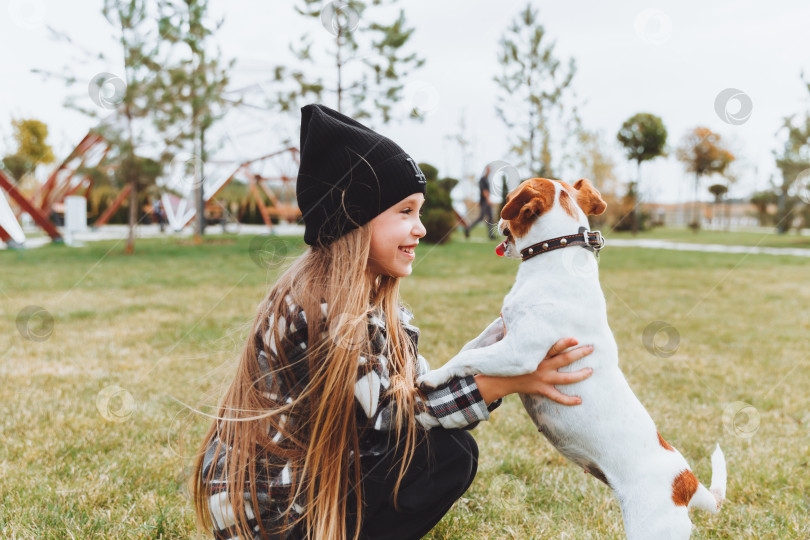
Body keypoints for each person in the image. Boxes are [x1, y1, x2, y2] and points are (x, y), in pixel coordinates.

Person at [191, 104, 594, 540]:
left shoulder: (371, 302)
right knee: (444, 454)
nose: (420, 228)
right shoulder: (326, 307)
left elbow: (419, 392)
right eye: (405, 212)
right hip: (276, 521)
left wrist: (498, 343)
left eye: (419, 212)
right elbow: (398, 415)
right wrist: (513, 379)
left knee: (444, 446)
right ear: (355, 218)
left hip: (307, 498)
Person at [464, 165, 495, 240]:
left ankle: (491, 235)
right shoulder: (482, 180)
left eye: (489, 170)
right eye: (488, 170)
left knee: (490, 218)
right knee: (481, 218)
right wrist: (488, 200)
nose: (489, 171)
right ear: (485, 170)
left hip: (487, 201)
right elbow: (484, 192)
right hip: (484, 202)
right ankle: (468, 228)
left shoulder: (487, 180)